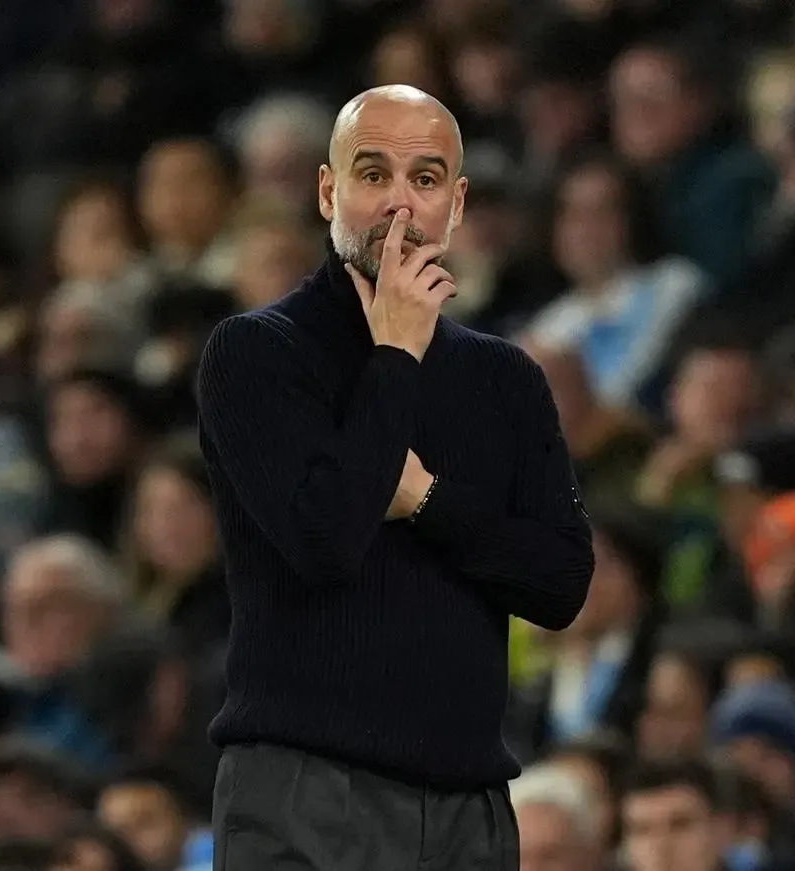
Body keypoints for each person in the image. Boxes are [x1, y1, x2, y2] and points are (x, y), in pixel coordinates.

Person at [197, 84, 595, 869]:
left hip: (468, 804)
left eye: (426, 178)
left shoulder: (505, 376)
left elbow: (560, 581)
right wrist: (395, 355)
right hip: (303, 785)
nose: (401, 204)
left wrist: (425, 500)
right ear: (326, 190)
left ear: (457, 201)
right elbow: (324, 538)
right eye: (373, 174)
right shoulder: (255, 353)